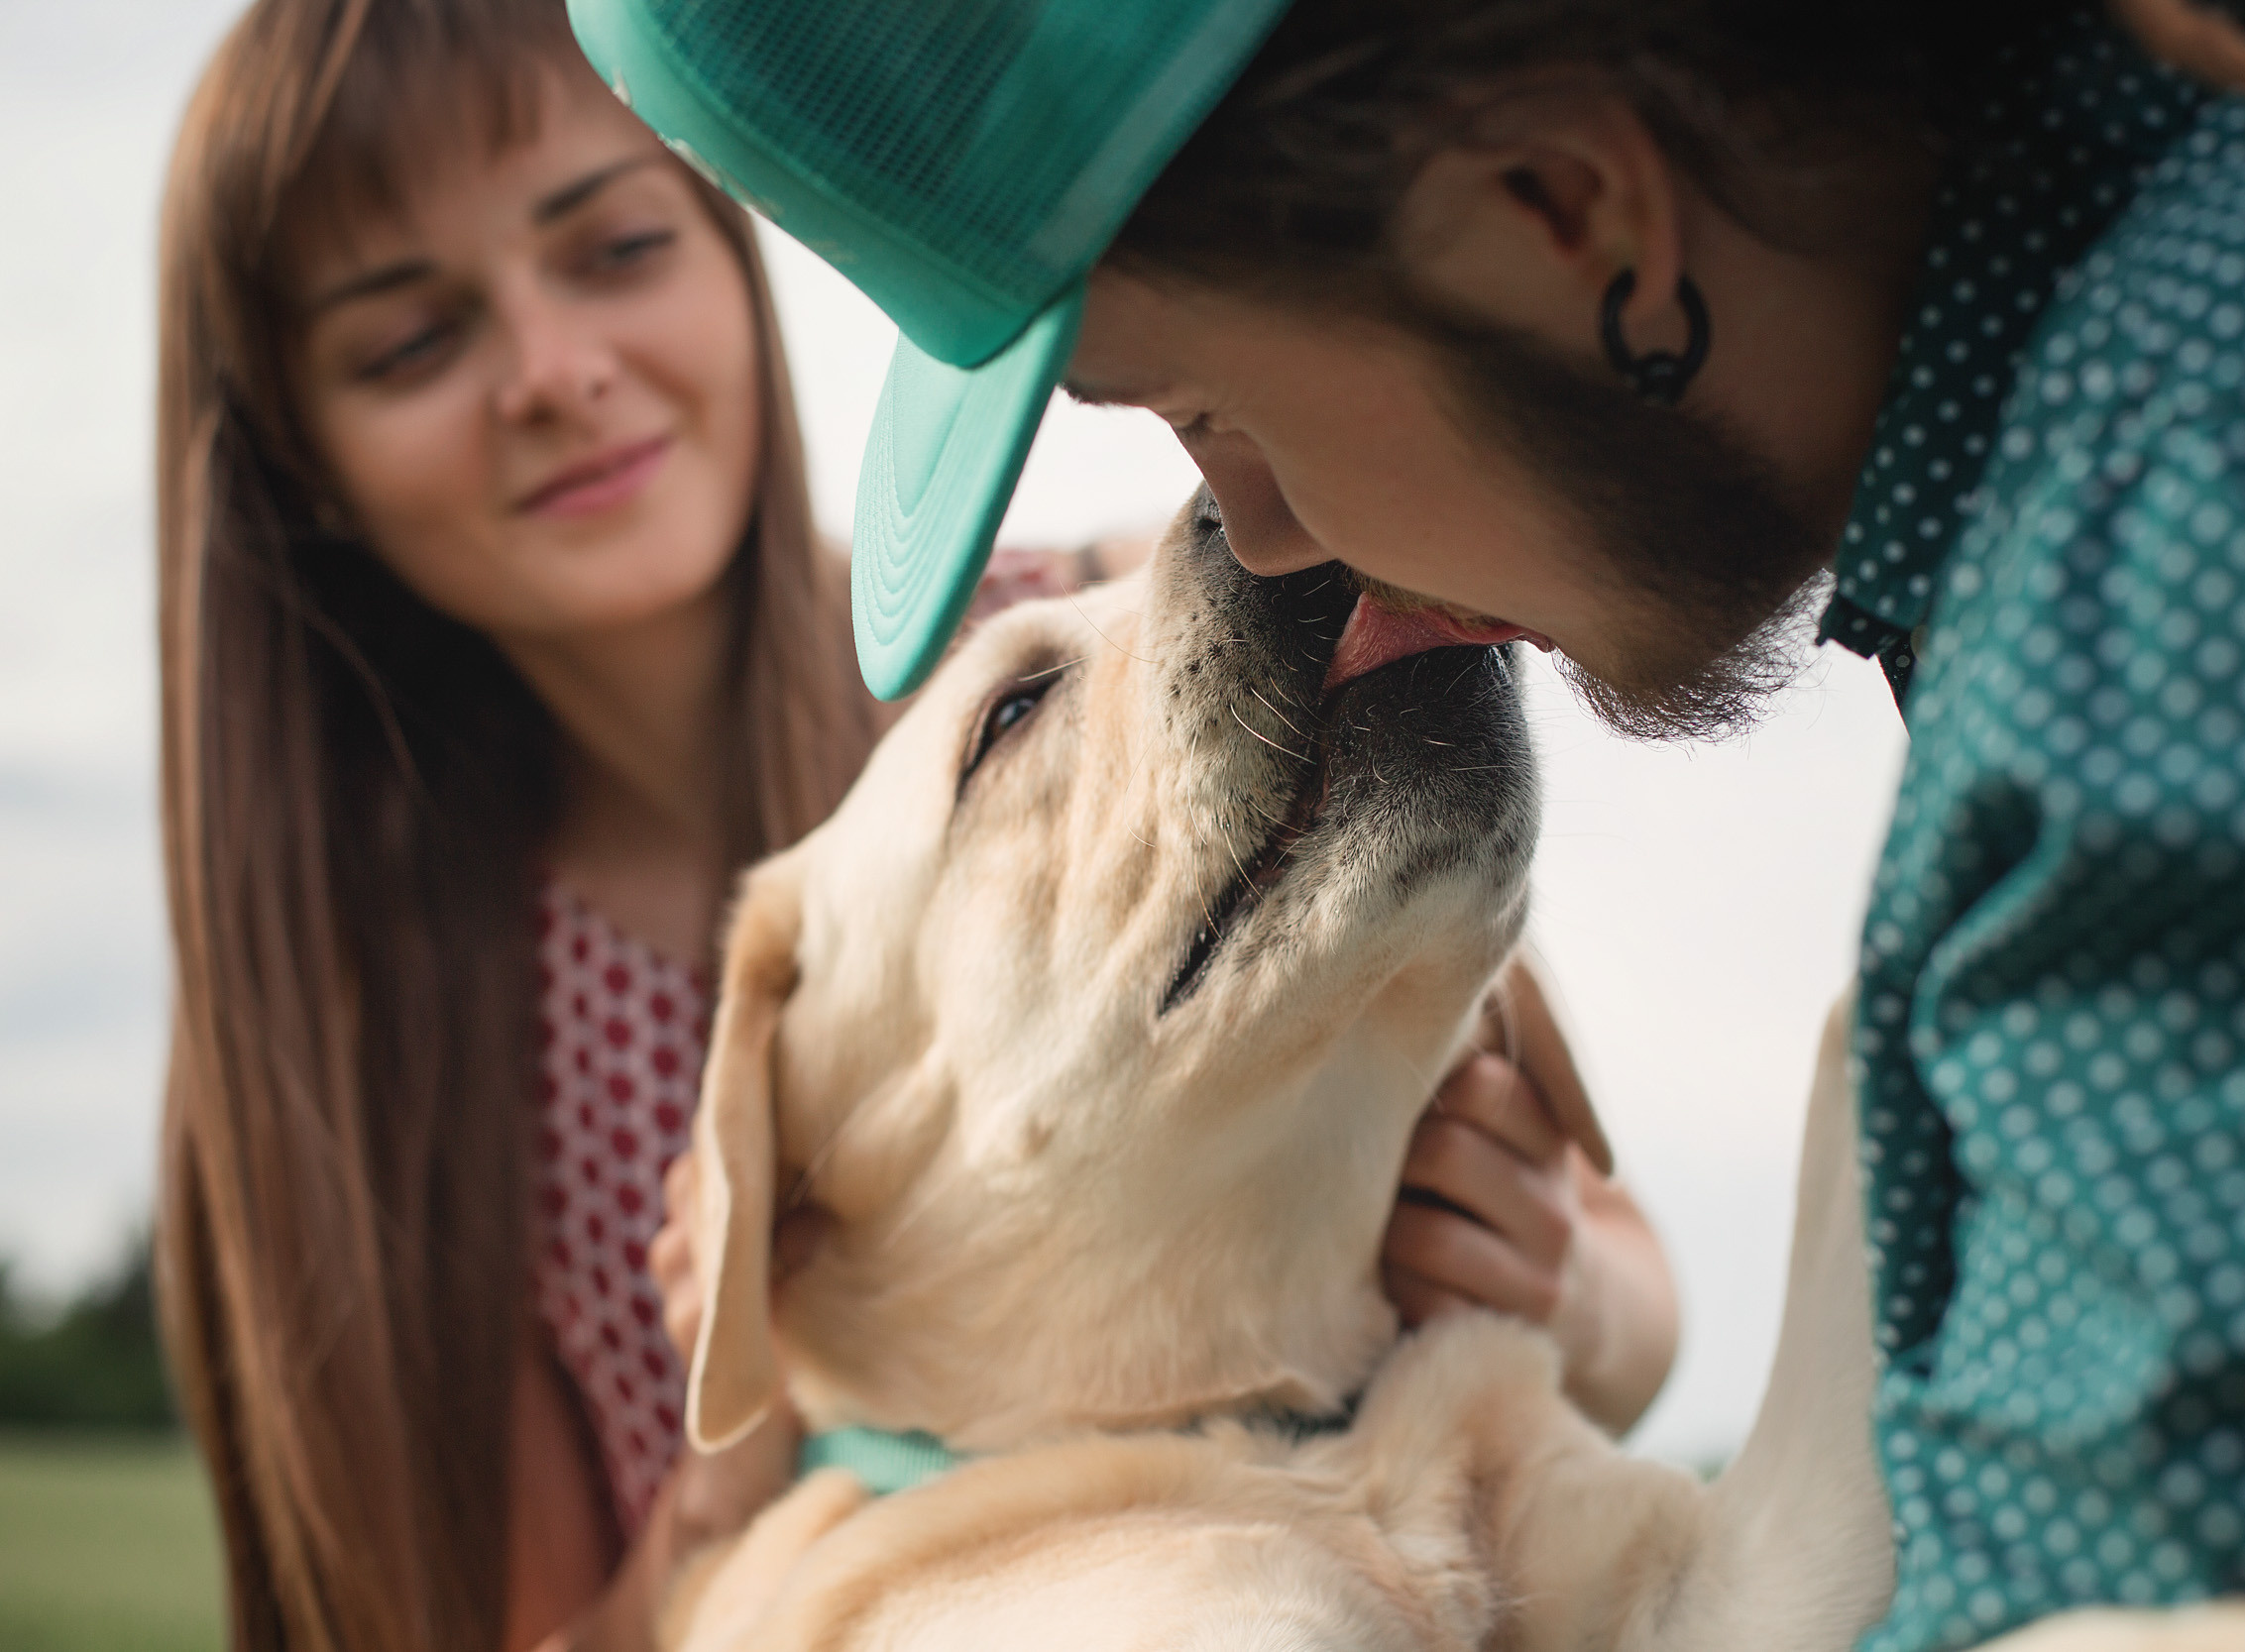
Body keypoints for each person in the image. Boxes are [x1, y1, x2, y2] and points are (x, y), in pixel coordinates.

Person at [578, 0, 2245, 1646]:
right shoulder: (2147, 438)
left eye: (1211, 411)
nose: (1263, 548)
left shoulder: (2209, 558)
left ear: (1568, 210)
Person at [151, 4, 1677, 1648]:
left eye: (612, 249)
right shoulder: (381, 1041)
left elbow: (1625, 1288)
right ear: (298, 466)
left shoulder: (1149, 634)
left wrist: (1552, 1286)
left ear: (740, 265)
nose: (555, 372)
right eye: (410, 344)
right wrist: (745, 1445)